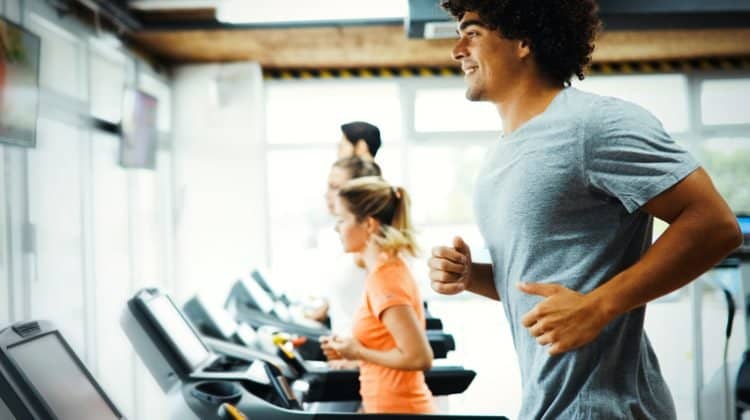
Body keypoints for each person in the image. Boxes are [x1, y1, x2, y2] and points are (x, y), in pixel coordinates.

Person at [427, 1, 743, 419]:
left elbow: (716, 225)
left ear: (523, 40)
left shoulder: (593, 125)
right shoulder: (499, 158)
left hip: (603, 408)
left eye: (473, 32)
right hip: (550, 405)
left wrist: (599, 306)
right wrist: (474, 276)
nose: (457, 50)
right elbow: (540, 282)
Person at [322, 176, 435, 414]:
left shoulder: (386, 280)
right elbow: (389, 349)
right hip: (382, 405)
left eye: (342, 220)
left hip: (399, 409)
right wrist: (352, 357)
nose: (337, 228)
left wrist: (358, 351)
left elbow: (419, 358)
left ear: (369, 225)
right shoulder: (383, 272)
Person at [305, 156, 382, 331]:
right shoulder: (349, 239)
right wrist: (326, 307)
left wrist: (357, 353)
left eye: (334, 187)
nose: (326, 194)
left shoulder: (371, 245)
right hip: (346, 353)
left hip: (360, 354)